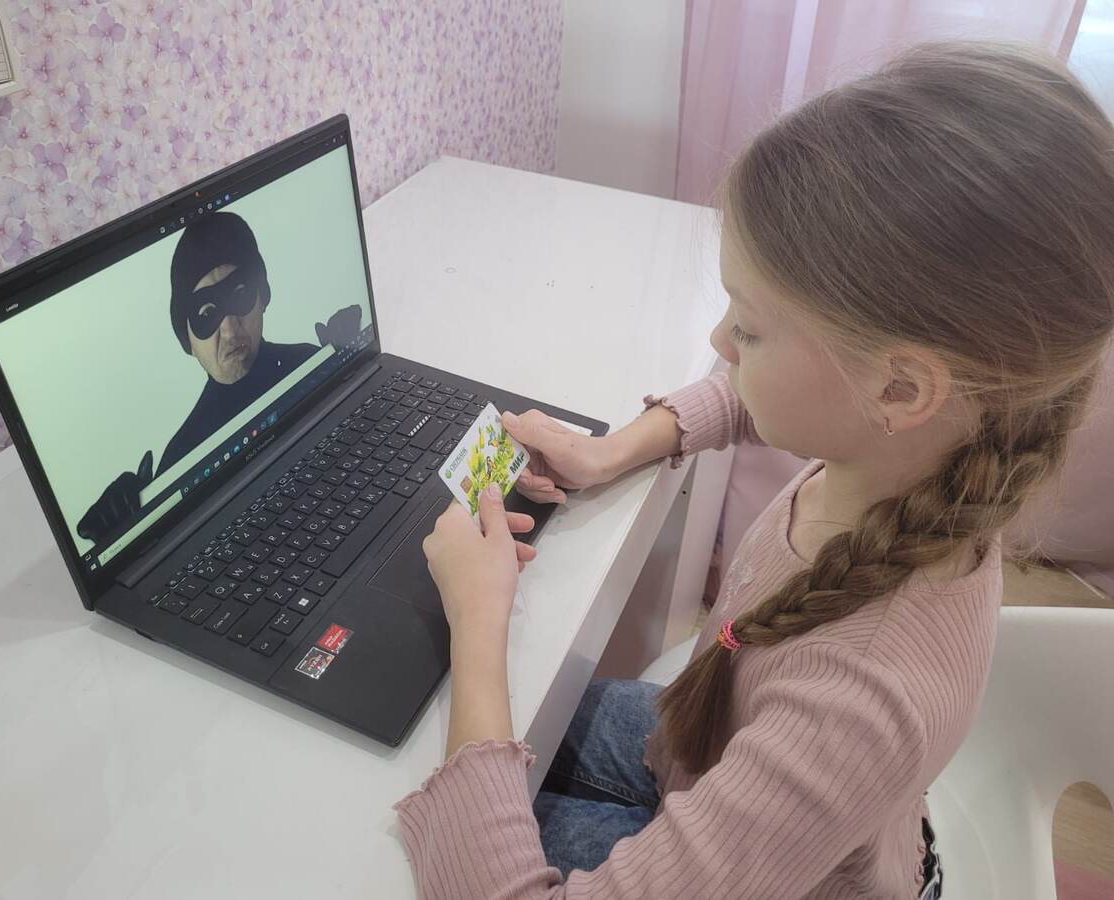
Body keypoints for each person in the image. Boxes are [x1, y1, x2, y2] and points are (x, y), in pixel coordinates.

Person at [399, 42, 1114, 898]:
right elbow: (763, 396)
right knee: (509, 731)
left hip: (795, 853)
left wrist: (478, 621)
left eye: (748, 326)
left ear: (899, 386)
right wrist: (617, 447)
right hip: (709, 758)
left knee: (413, 824)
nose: (719, 343)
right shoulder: (932, 448)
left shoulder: (857, 704)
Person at [76, 212, 364, 544]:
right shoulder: (181, 457)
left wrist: (349, 371)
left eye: (239, 293)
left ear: (262, 296)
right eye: (206, 313)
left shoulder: (310, 363)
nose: (229, 330)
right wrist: (136, 527)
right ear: (187, 338)